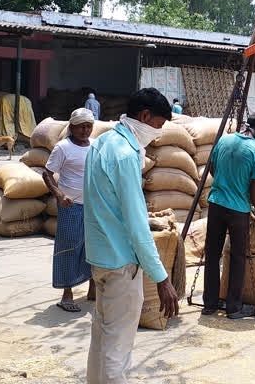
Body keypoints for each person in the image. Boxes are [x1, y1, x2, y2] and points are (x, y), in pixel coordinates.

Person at [83, 88, 179, 384]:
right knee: (118, 350)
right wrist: (162, 278)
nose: (158, 134)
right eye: (158, 125)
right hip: (122, 262)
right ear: (145, 116)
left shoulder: (102, 142)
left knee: (102, 336)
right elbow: (137, 225)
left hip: (100, 257)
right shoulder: (126, 155)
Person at [203, 112, 255, 319]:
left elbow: (212, 167)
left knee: (212, 255)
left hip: (215, 204)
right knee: (239, 257)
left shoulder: (223, 140)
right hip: (238, 210)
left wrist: (224, 183)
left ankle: (210, 304)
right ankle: (233, 307)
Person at [43, 108, 96, 312]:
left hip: (92, 205)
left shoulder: (95, 146)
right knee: (69, 247)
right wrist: (59, 195)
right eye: (81, 126)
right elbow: (47, 174)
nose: (85, 130)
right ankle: (67, 294)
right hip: (70, 206)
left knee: (92, 246)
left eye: (89, 126)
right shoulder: (63, 148)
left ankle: (93, 288)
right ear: (72, 127)